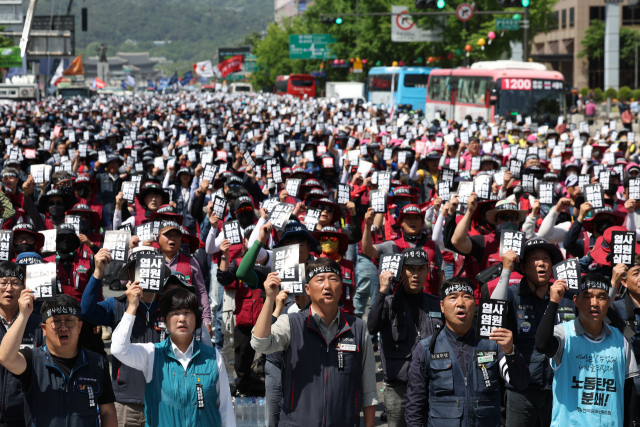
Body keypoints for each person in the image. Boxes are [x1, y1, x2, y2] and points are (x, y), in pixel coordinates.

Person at [250, 257, 378, 427]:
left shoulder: (358, 328)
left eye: (333, 279)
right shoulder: (291, 323)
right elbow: (260, 343)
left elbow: (368, 390)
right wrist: (269, 300)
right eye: (320, 280)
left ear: (341, 287)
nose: (327, 286)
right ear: (307, 289)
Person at [404, 278, 530, 427]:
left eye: (466, 297)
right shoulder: (426, 349)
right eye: (453, 297)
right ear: (442, 306)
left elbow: (521, 383)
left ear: (475, 304)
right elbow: (414, 408)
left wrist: (510, 352)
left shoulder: (493, 344)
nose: (460, 303)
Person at [111, 285, 234, 427]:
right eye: (175, 313)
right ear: (164, 320)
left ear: (196, 318)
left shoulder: (213, 356)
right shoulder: (152, 354)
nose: (182, 319)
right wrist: (132, 307)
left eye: (188, 312)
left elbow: (225, 409)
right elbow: (118, 349)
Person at [535, 273, 639, 425]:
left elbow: (629, 391)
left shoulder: (621, 339)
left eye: (601, 297)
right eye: (588, 296)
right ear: (575, 301)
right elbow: (542, 345)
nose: (594, 303)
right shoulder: (563, 334)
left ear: (608, 301)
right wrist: (553, 303)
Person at [0, 292, 117, 426]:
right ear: (43, 329)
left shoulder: (97, 362)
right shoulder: (32, 360)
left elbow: (108, 412)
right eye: (55, 322)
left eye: (69, 321)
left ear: (79, 327)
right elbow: (5, 357)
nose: (63, 327)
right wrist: (23, 315)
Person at [494, 238, 572, 427]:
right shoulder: (512, 293)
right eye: (534, 258)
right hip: (521, 390)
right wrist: (506, 270)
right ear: (523, 266)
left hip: (560, 390)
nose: (541, 263)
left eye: (546, 258)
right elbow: (493, 313)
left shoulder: (565, 297)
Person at [367, 248, 443, 427]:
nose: (415, 274)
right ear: (401, 271)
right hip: (398, 387)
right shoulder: (388, 303)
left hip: (431, 384)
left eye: (420, 269)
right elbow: (372, 326)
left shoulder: (437, 303)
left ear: (428, 271)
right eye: (410, 269)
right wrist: (382, 290)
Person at [0, 261, 44, 426]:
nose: (9, 289)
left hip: (28, 415)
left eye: (15, 283)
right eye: (3, 282)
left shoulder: (40, 325)